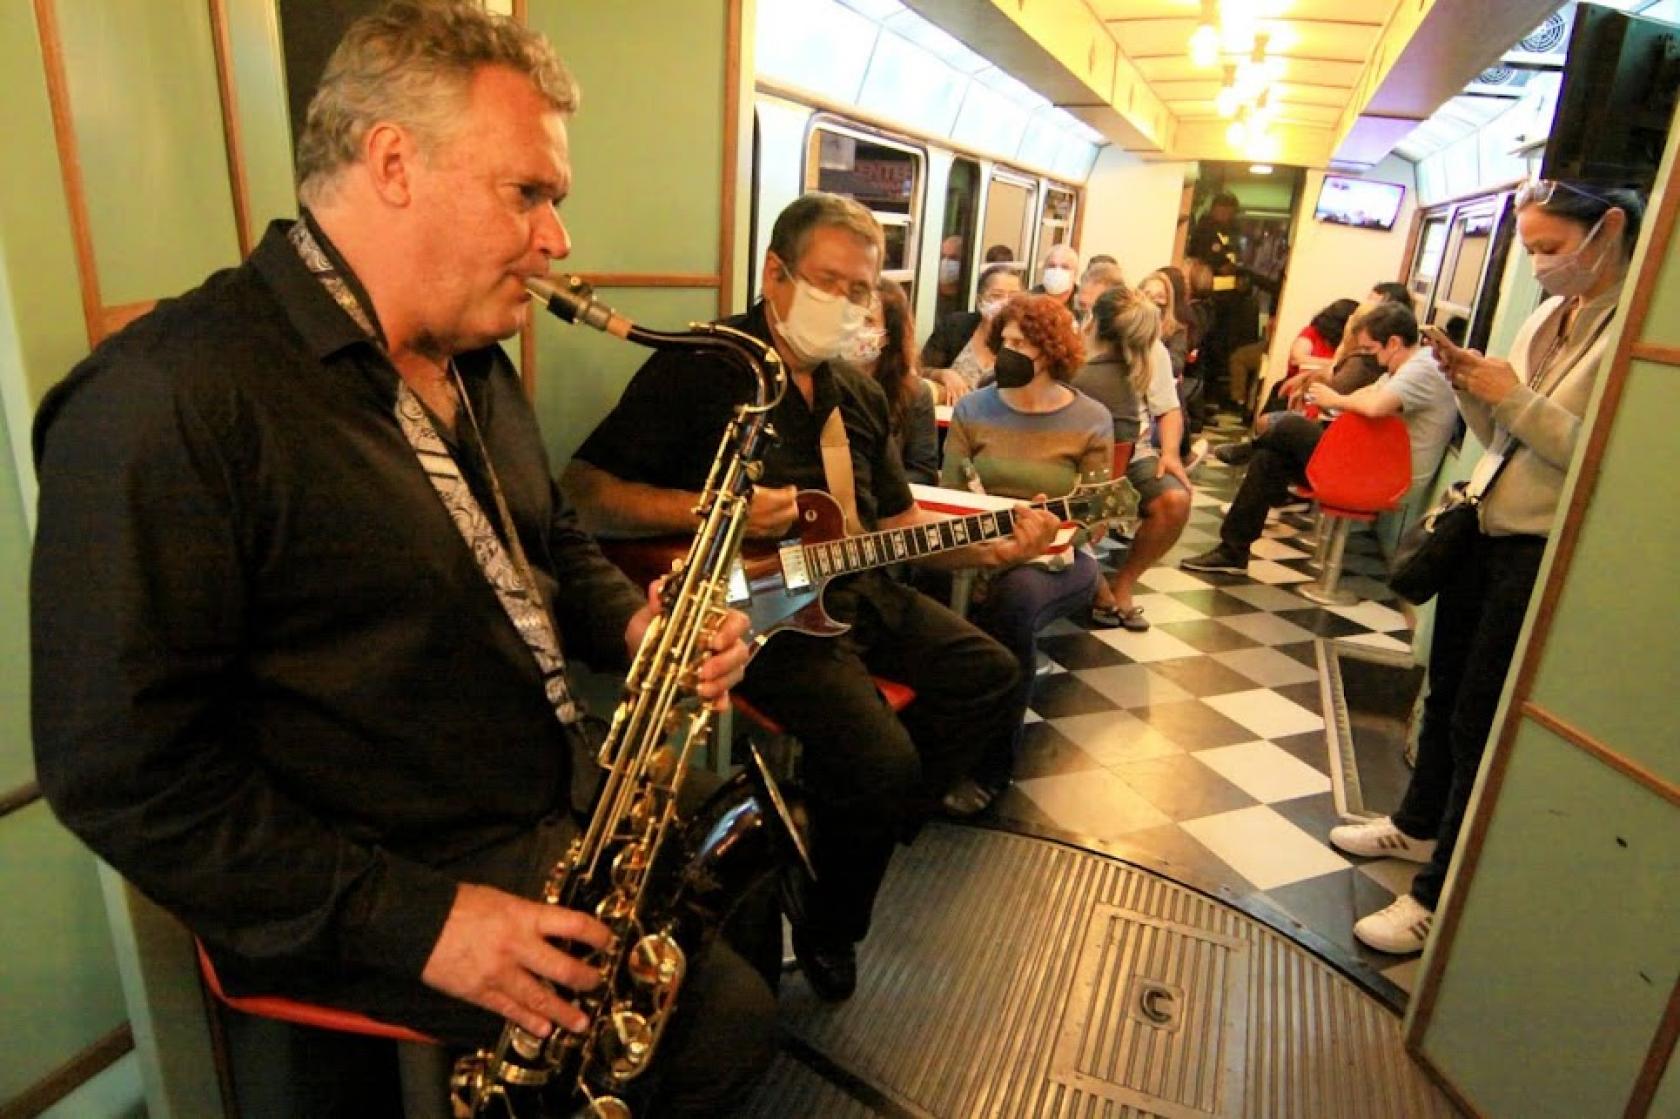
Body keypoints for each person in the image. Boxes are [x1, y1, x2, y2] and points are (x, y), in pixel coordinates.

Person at [29, 5, 773, 1115]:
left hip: (537, 807)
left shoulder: (470, 361)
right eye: (530, 194)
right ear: (392, 165)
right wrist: (420, 920)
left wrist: (632, 627)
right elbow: (120, 772)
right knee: (724, 1027)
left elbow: (549, 540)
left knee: (747, 880)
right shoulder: (166, 402)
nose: (557, 240)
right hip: (380, 883)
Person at [560, 191, 1058, 1001]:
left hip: (858, 589)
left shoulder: (858, 395)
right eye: (830, 282)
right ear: (775, 273)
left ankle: (851, 824)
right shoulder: (700, 367)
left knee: (991, 675)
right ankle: (833, 920)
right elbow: (583, 493)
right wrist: (715, 510)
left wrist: (995, 543)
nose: (848, 305)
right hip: (759, 614)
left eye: (863, 290)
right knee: (880, 755)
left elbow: (897, 523)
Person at [1329, 181, 1643, 954]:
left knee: (1481, 714)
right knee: (1444, 691)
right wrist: (1473, 385)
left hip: (1538, 543)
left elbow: (1603, 451)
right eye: (1531, 248)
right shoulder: (1546, 317)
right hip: (1487, 525)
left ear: (1608, 230)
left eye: (1551, 248)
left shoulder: (1631, 332)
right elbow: (1504, 436)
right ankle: (1414, 824)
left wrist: (1513, 397)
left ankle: (1440, 890)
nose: (1539, 265)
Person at [939, 294, 1111, 812]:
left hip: (1058, 558)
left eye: (1022, 344)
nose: (1009, 352)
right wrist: (992, 544)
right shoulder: (973, 407)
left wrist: (1044, 537)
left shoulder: (1090, 418)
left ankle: (992, 765)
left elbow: (1095, 521)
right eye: (1005, 342)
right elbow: (951, 490)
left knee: (1013, 602)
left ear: (1051, 352)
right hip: (979, 544)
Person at [1182, 302, 1456, 575]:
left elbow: (1374, 406)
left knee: (1290, 426)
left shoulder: (1422, 369)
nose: (1369, 358)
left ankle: (1248, 450)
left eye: (1371, 349)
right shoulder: (1401, 368)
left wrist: (1335, 399)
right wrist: (1346, 400)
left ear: (1393, 343)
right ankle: (1233, 550)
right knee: (1270, 459)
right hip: (1372, 464)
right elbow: (1365, 396)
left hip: (1389, 477)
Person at [1074, 287, 1192, 631]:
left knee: (1175, 501)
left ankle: (1121, 586)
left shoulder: (1153, 353)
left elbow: (1168, 409)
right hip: (1073, 452)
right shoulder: (1073, 350)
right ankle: (1095, 585)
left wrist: (1169, 454)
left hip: (1132, 452)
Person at [1214, 296, 1361, 466]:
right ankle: (1252, 447)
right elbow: (1298, 358)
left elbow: (1331, 372)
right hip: (1300, 392)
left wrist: (1324, 364)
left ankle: (1251, 450)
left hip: (1321, 405)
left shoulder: (1354, 356)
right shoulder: (1312, 333)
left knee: (1281, 426)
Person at [841, 276, 937, 484]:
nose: (856, 329)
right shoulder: (819, 380)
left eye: (868, 321)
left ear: (888, 335)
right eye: (851, 318)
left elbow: (923, 472)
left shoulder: (915, 394)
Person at [919, 261, 1025, 403]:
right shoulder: (955, 326)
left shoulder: (1027, 340)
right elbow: (918, 369)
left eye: (1013, 297)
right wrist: (940, 374)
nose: (1005, 303)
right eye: (996, 295)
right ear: (980, 300)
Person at [1033, 242, 1081, 318]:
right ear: (1044, 270)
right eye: (1052, 266)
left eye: (1065, 267)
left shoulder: (1083, 301)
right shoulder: (1030, 299)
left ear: (1075, 274)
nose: (1057, 271)